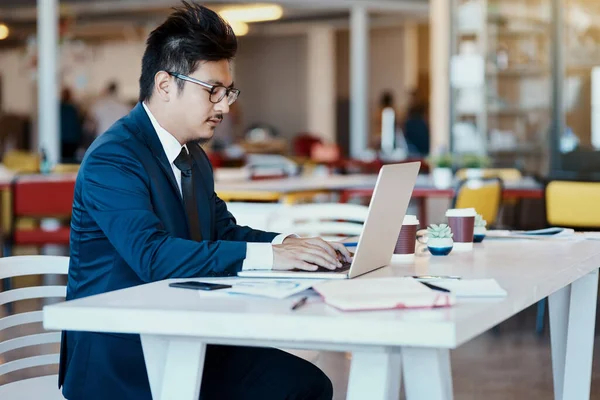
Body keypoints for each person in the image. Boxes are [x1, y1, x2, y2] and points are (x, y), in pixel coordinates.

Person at [58, 3, 350, 400]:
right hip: (123, 355)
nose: (225, 106)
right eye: (213, 91)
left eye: (228, 92)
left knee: (304, 383)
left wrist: (289, 245)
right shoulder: (114, 157)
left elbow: (223, 231)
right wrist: (270, 258)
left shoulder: (192, 154)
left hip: (183, 333)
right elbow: (152, 255)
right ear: (164, 85)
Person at [59, 88, 83, 162]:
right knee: (70, 160)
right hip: (72, 140)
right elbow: (78, 125)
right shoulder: (73, 109)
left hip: (62, 139)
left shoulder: (58, 108)